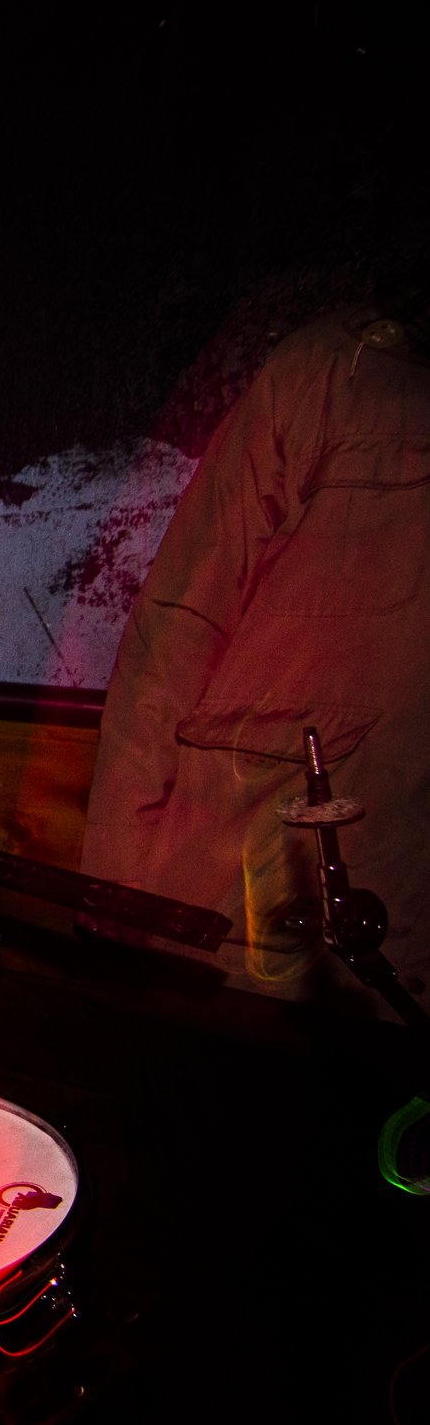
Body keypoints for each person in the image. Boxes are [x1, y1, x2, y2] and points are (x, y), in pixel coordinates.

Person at [83, 306, 430, 1017]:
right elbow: (180, 627)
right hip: (232, 926)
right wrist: (113, 894)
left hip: (379, 954)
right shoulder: (331, 381)